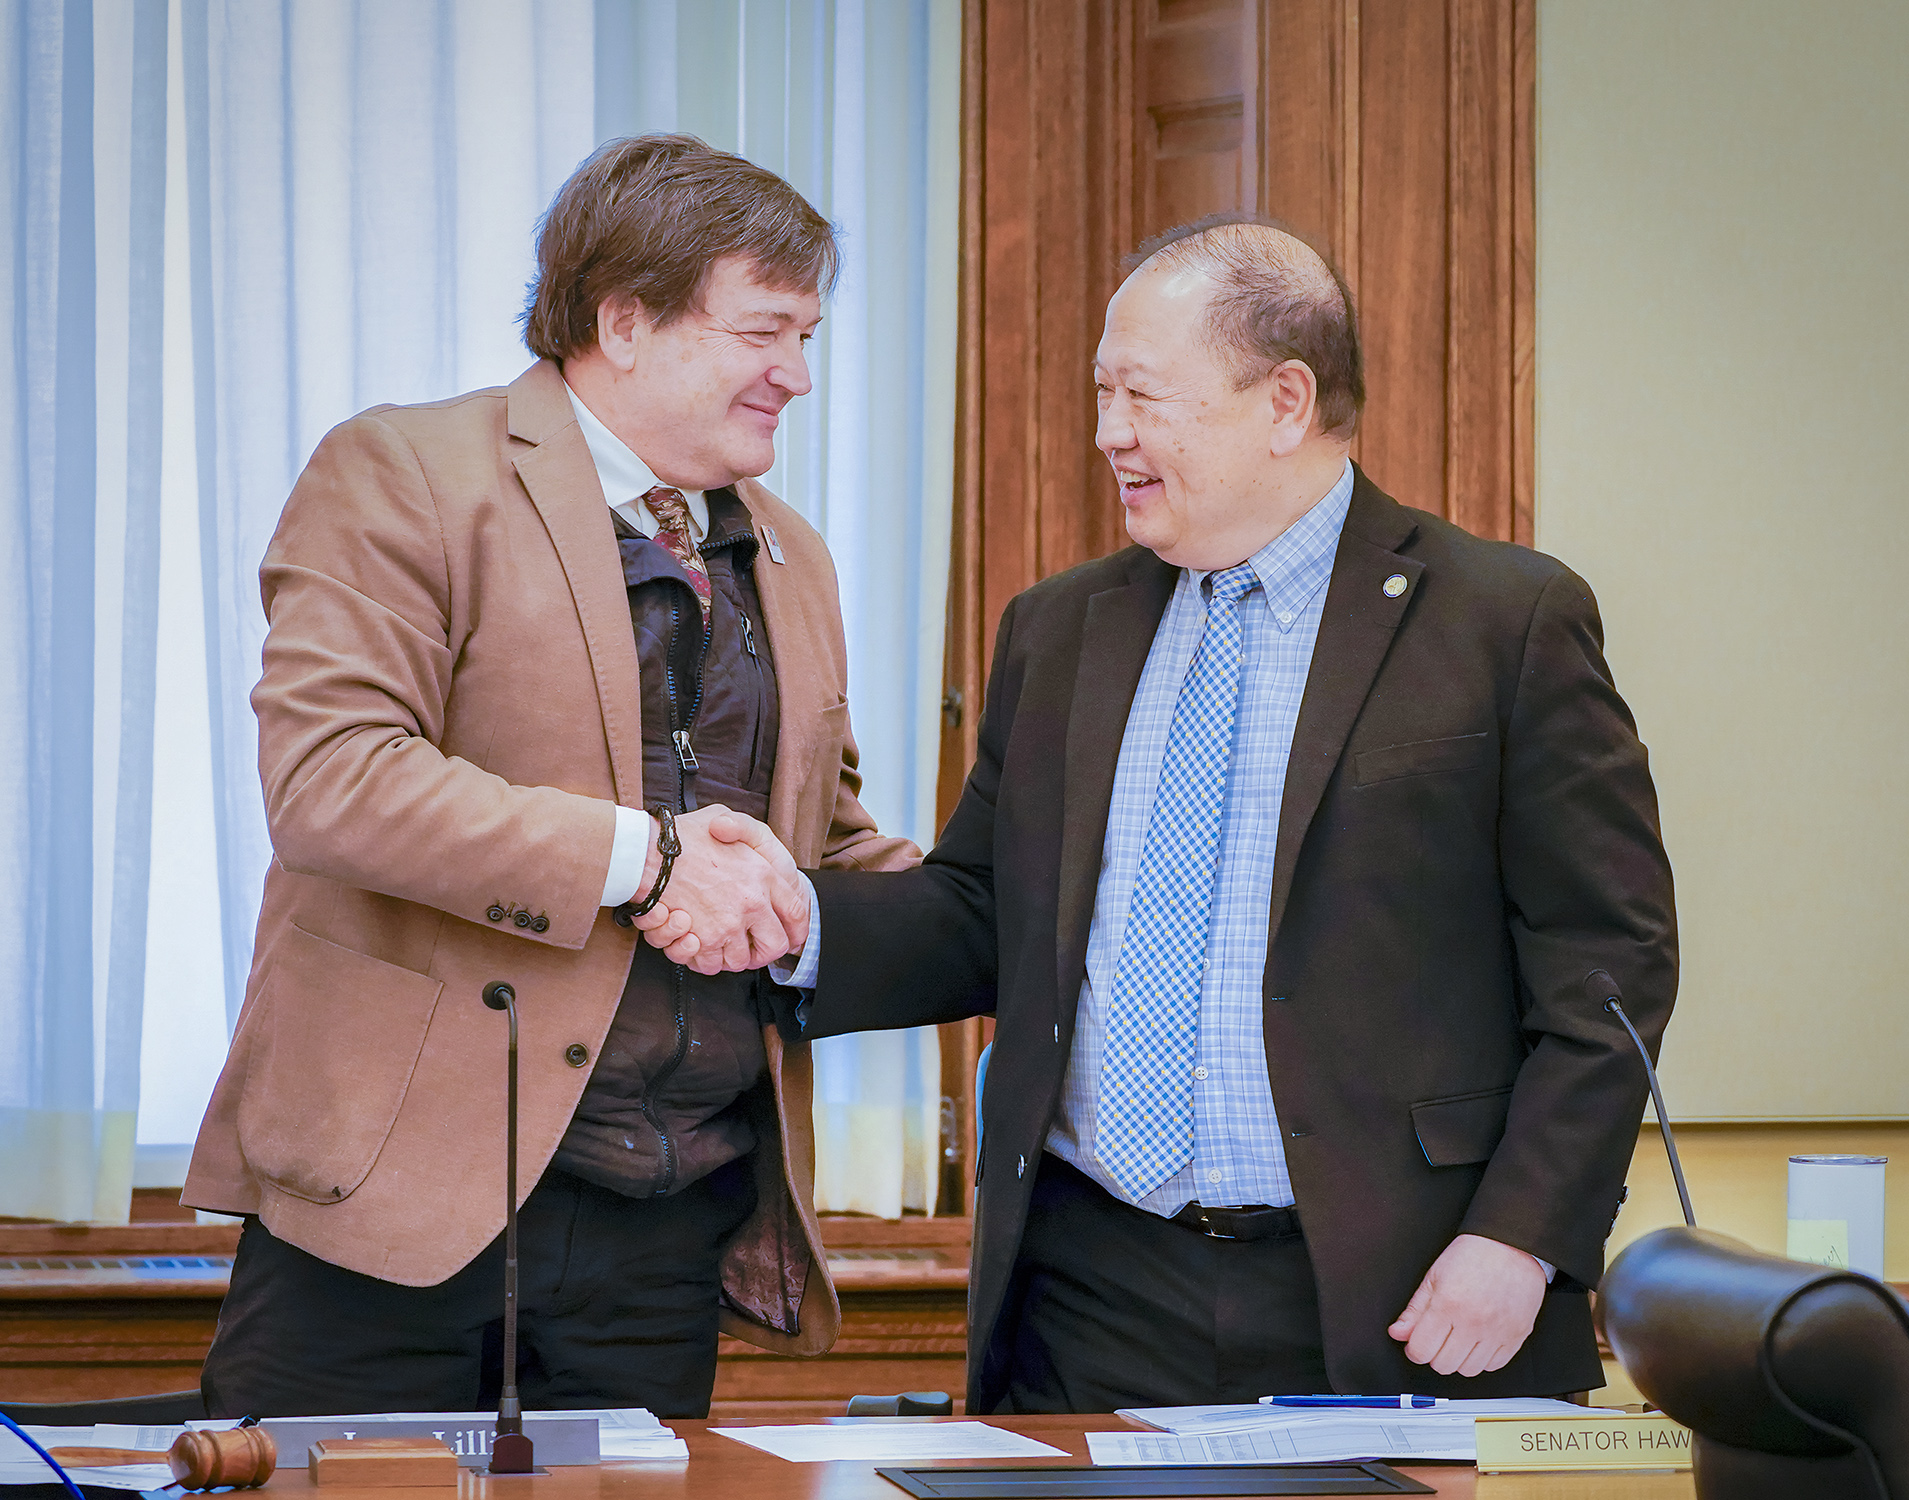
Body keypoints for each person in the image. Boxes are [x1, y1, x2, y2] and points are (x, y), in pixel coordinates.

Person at [641, 215, 1678, 1411]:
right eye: (1101, 393)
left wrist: (1523, 1237)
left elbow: (1610, 967)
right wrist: (790, 915)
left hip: (1405, 1286)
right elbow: (986, 913)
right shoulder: (1062, 626)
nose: (1108, 433)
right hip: (1089, 1290)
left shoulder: (1505, 620)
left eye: (1142, 394)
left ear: (1284, 400)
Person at [184, 134, 915, 1419]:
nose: (797, 376)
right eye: (765, 332)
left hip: (667, 1231)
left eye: (808, 337)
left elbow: (817, 845)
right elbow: (333, 779)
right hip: (390, 1205)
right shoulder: (406, 472)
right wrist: (652, 858)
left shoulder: (794, 551)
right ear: (623, 319)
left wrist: (1055, 892)